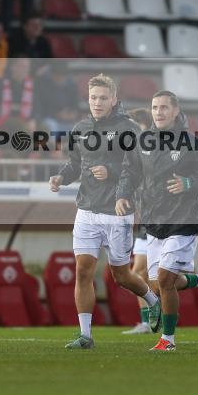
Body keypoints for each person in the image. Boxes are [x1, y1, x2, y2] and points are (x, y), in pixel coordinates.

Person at [48, 74, 164, 350]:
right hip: (86, 210)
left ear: (113, 99)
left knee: (121, 275)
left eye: (102, 98)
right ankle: (85, 335)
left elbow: (140, 169)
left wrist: (111, 172)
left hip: (117, 211)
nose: (97, 103)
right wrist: (61, 178)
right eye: (93, 98)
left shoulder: (129, 129)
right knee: (83, 271)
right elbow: (75, 164)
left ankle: (152, 300)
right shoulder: (81, 128)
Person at [116, 90, 198, 352]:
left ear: (176, 111)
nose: (159, 112)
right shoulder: (142, 141)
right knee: (158, 285)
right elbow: (129, 172)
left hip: (183, 221)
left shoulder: (190, 143)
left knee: (166, 280)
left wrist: (189, 183)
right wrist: (122, 194)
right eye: (155, 107)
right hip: (153, 223)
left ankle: (167, 340)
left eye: (164, 107)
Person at [121, 107, 157, 335]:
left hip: (162, 219)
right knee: (137, 272)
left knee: (165, 275)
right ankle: (147, 320)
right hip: (145, 222)